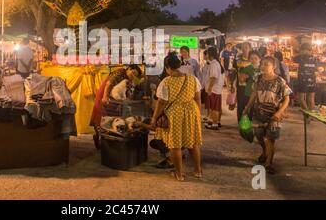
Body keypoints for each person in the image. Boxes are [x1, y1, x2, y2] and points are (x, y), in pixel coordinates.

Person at [151, 52, 202, 181]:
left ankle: (179, 174)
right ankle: (197, 171)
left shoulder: (166, 82)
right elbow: (197, 99)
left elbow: (161, 102)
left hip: (174, 114)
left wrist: (154, 117)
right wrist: (198, 115)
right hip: (192, 111)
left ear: (167, 67)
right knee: (193, 142)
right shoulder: (192, 79)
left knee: (175, 145)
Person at [242, 56, 291, 174]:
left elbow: (287, 98)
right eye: (262, 64)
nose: (263, 67)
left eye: (266, 65)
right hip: (258, 113)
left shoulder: (280, 81)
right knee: (258, 134)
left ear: (273, 67)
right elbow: (254, 93)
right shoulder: (258, 78)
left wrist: (279, 112)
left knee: (271, 139)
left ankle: (269, 163)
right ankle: (265, 151)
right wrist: (247, 107)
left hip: (273, 115)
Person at [89, 65, 142, 149]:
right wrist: (105, 96)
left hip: (115, 100)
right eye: (133, 72)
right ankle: (99, 137)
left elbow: (128, 94)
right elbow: (109, 84)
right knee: (100, 116)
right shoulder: (120, 72)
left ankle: (107, 141)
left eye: (135, 75)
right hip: (105, 95)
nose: (133, 75)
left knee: (111, 118)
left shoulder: (128, 80)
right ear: (128, 69)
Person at [204, 47, 225, 130]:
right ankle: (214, 122)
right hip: (216, 89)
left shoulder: (214, 64)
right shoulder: (216, 63)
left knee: (214, 108)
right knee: (215, 107)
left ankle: (215, 124)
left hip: (214, 89)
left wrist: (209, 88)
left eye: (207, 53)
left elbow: (213, 77)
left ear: (210, 54)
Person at [293, 43, 318, 111]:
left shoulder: (300, 57)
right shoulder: (315, 58)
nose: (302, 51)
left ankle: (307, 114)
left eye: (302, 50)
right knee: (311, 99)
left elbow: (294, 58)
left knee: (300, 99)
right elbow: (316, 69)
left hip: (303, 81)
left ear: (304, 50)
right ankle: (310, 115)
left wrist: (299, 52)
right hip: (312, 80)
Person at [231, 42, 252, 121]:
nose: (244, 49)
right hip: (241, 87)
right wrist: (232, 85)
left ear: (250, 48)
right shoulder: (237, 60)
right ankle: (240, 122)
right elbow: (234, 73)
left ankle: (249, 122)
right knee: (240, 105)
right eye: (243, 47)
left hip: (251, 87)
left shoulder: (253, 59)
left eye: (246, 47)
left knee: (250, 105)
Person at [239, 50, 262, 120]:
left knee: (258, 111)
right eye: (251, 58)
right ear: (249, 59)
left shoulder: (262, 68)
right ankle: (248, 126)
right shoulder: (246, 68)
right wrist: (243, 78)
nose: (254, 60)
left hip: (260, 93)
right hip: (249, 92)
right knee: (249, 110)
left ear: (259, 59)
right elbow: (241, 81)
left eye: (256, 58)